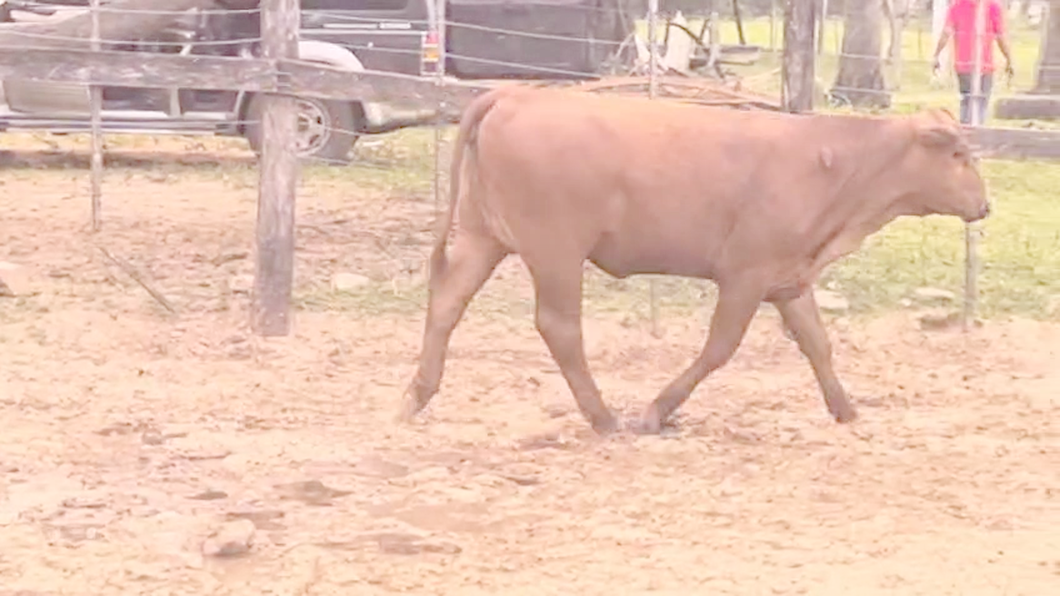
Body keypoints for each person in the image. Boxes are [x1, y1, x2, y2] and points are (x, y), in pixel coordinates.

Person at [932, 0, 1015, 125]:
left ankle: (966, 131)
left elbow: (946, 32)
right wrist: (1009, 59)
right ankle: (975, 132)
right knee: (980, 103)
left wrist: (936, 55)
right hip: (984, 65)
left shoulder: (957, 6)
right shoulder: (991, 7)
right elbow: (1000, 36)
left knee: (966, 101)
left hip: (963, 65)